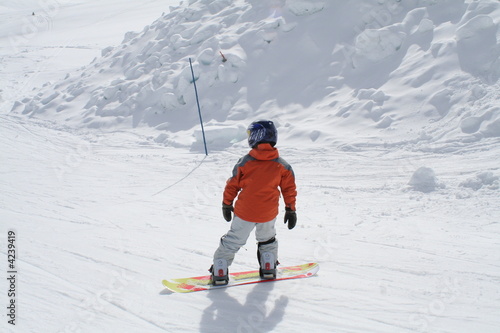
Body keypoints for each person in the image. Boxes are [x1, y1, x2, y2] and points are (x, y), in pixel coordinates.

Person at [210, 120, 297, 285]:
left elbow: (233, 184)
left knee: (233, 240)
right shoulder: (282, 165)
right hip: (268, 212)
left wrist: (227, 203)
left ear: (257, 137)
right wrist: (290, 209)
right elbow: (289, 189)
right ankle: (269, 266)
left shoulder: (245, 162)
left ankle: (220, 270)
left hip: (245, 212)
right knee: (267, 239)